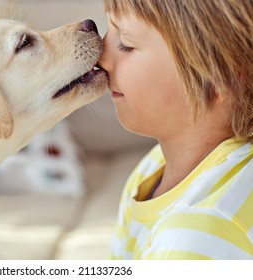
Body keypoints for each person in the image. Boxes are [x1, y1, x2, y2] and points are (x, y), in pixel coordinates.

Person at [98, 0, 253, 259]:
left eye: (125, 42)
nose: (101, 56)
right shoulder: (152, 168)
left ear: (218, 77)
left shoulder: (192, 241)